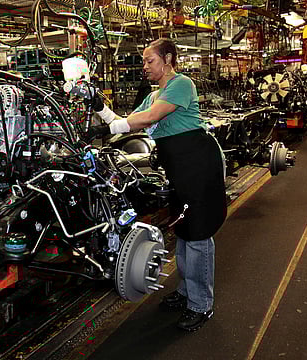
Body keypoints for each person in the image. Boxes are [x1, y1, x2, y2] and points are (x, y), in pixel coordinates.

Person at [90, 38, 227, 332]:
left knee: (199, 234)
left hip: (199, 166)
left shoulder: (181, 84)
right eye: (143, 62)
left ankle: (201, 304)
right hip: (178, 170)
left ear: (167, 59)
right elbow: (129, 121)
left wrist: (109, 128)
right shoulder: (153, 95)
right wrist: (100, 109)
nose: (144, 67)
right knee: (184, 230)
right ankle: (187, 291)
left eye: (149, 61)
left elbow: (150, 119)